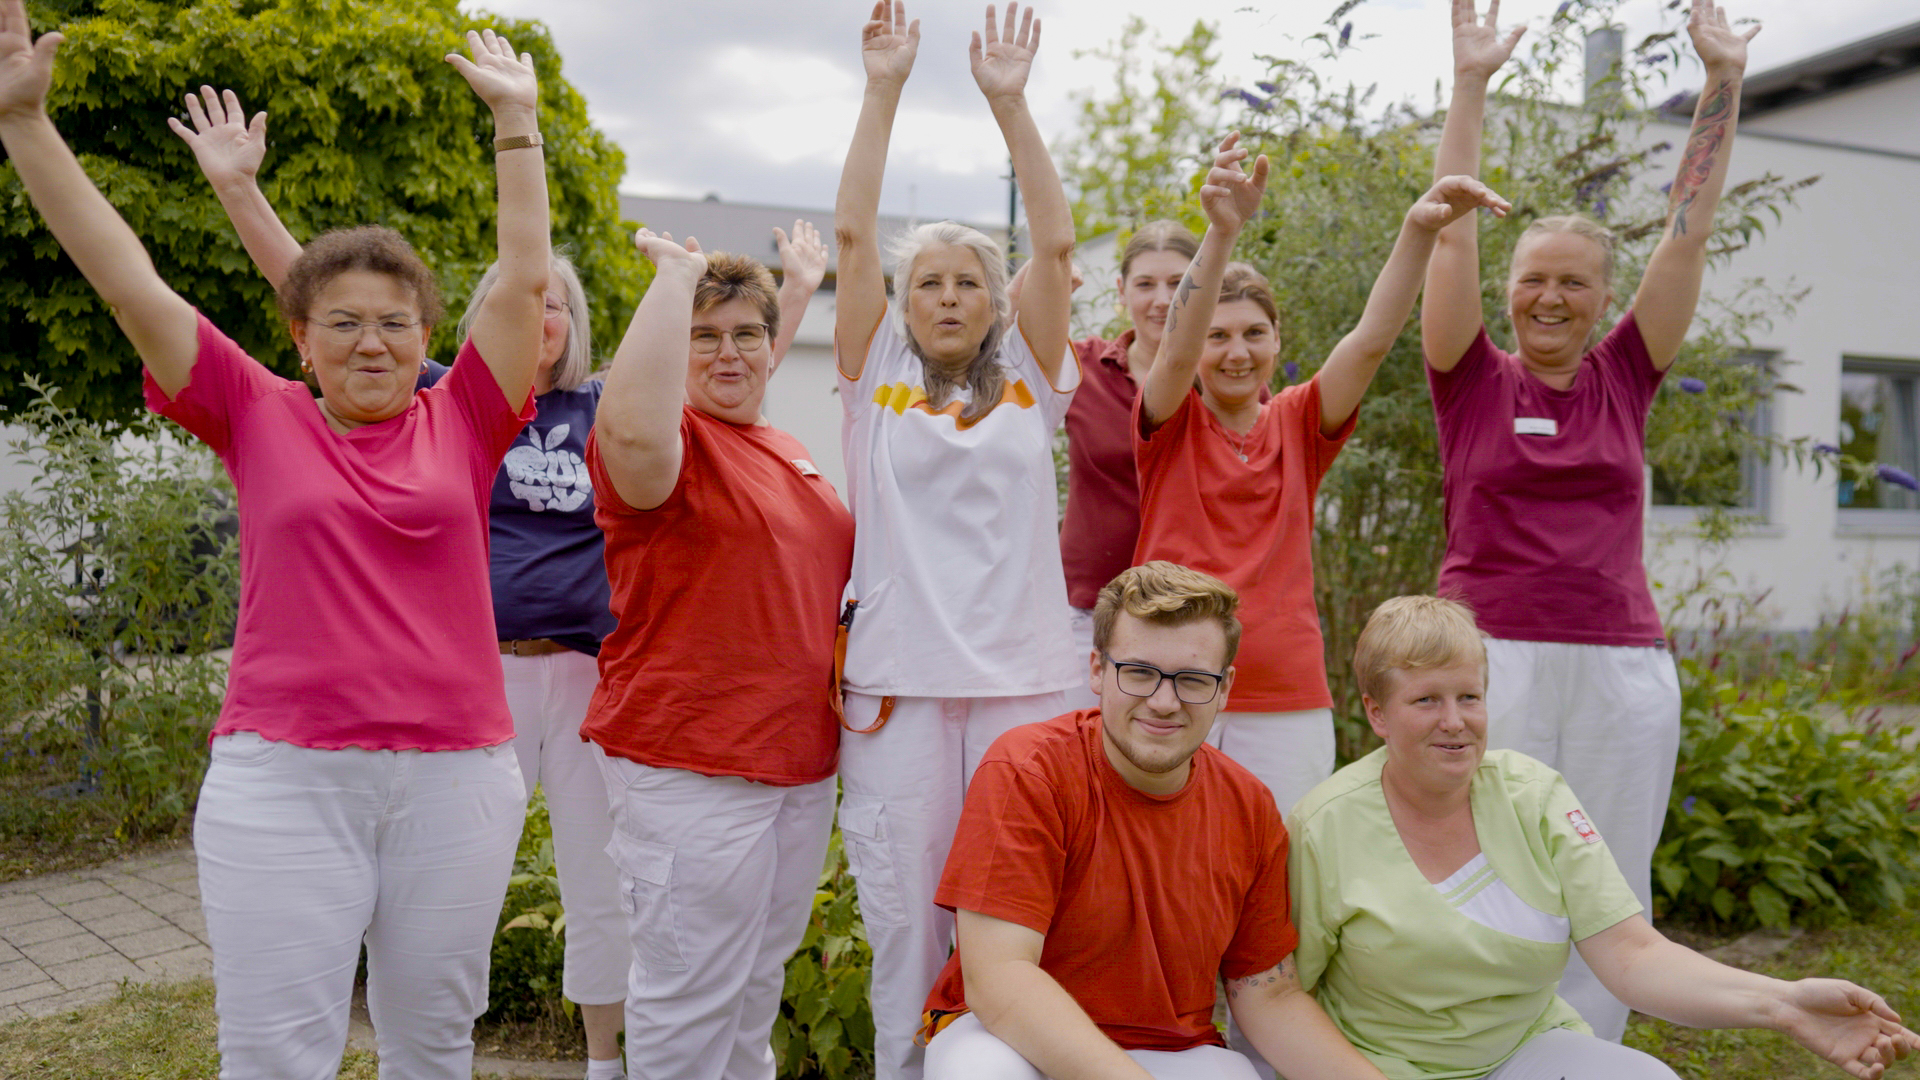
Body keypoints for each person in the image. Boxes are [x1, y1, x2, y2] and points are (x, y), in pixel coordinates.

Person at [166, 90, 820, 1080]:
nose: (543, 313)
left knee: (599, 881)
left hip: (590, 675)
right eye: (528, 302)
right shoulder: (446, 397)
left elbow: (719, 367)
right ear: (485, 319)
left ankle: (606, 1059)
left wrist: (790, 294)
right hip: (480, 683)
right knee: (437, 888)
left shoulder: (606, 405)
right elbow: (327, 308)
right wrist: (243, 196)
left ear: (577, 319)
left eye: (559, 302)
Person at [0, 9, 550, 1076]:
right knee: (272, 1049)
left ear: (429, 338)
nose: (371, 341)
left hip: (458, 779)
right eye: (341, 321)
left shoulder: (471, 416)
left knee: (433, 1042)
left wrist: (516, 129)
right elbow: (128, 282)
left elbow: (523, 278)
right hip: (284, 778)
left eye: (394, 321)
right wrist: (27, 126)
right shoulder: (256, 412)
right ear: (300, 340)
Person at [1420, 0, 1761, 1039]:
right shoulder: (1469, 379)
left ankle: (1587, 1059)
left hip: (1617, 663)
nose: (1550, 297)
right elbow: (1450, 228)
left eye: (1574, 282)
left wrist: (1722, 84)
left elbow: (1687, 232)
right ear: (1511, 294)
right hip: (1490, 658)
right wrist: (1470, 85)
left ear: (1605, 296)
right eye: (1533, 280)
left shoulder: (1625, 375)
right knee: (1485, 860)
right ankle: (1479, 1046)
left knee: (1607, 873)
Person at [1288, 595, 1920, 1080]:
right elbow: (1285, 996)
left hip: (1520, 1051)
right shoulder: (1326, 825)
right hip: (1376, 1067)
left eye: (1469, 697)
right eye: (1425, 700)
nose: (1455, 722)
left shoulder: (1534, 796)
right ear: (1376, 712)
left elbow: (1633, 955)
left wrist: (1784, 1004)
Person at [832, 4, 1081, 1076]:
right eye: (928, 280)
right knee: (903, 918)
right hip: (899, 688)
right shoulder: (872, 370)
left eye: (967, 282)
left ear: (995, 303)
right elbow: (850, 234)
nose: (946, 295)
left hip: (1027, 683)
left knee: (1025, 920)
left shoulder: (1033, 376)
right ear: (905, 299)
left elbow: (1061, 243)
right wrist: (883, 89)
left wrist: (1010, 103)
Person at [1132, 132, 1508, 819]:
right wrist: (1221, 235)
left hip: (1285, 696)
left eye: (1253, 333)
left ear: (1278, 340)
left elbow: (1369, 340)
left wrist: (1418, 230)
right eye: (1219, 336)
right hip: (1173, 684)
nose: (1236, 351)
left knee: (1282, 882)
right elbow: (1176, 353)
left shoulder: (1300, 423)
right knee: (1168, 874)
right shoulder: (1169, 419)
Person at [916, 561, 1390, 1080]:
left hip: (1172, 1051)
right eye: (1139, 672)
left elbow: (1270, 997)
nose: (1164, 702)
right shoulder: (1030, 770)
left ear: (1225, 686)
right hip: (1006, 1038)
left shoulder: (1248, 806)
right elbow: (1000, 980)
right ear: (1098, 669)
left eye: (1192, 680)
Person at [583, 229, 854, 1080]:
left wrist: (792, 288)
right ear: (675, 344)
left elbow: (746, 363)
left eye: (746, 334)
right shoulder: (671, 447)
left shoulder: (781, 447)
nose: (727, 352)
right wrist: (678, 278)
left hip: (794, 767)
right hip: (694, 765)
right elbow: (629, 427)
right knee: (688, 997)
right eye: (703, 335)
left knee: (749, 992)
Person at [1057, 221, 1199, 709]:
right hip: (1088, 612)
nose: (1163, 299)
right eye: (1145, 285)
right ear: (1121, 293)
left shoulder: (1226, 380)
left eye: (1179, 284)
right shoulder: (1080, 369)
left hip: (1190, 613)